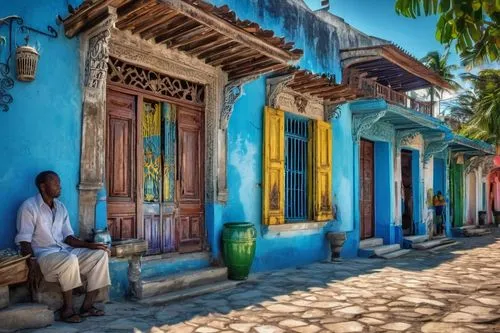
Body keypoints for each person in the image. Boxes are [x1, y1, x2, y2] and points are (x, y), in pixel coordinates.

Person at [15, 171, 111, 323]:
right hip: (45, 255)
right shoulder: (29, 207)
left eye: (59, 183)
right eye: (55, 184)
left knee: (100, 255)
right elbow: (24, 240)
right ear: (43, 186)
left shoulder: (60, 207)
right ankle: (68, 310)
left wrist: (91, 245)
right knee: (69, 259)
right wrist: (31, 262)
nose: (60, 187)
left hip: (65, 250)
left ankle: (87, 306)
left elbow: (69, 237)